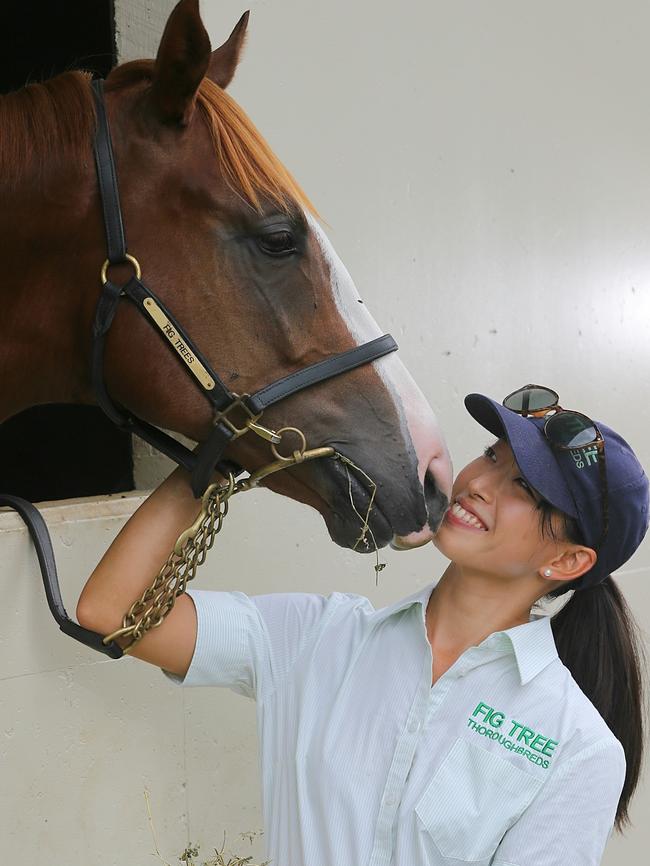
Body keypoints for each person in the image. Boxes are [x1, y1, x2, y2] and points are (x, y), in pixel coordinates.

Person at [76, 383, 649, 866]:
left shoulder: (577, 747)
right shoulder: (317, 638)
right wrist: (220, 457)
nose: (479, 482)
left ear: (567, 562)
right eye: (493, 456)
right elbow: (113, 612)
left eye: (524, 487)